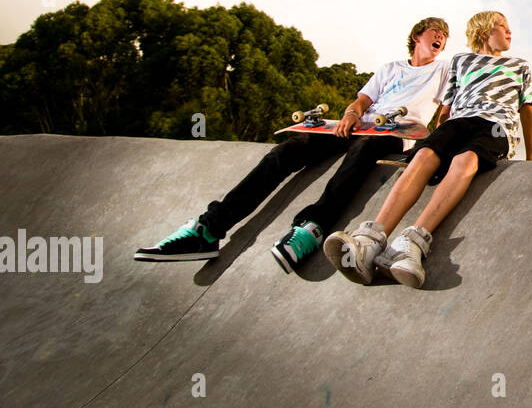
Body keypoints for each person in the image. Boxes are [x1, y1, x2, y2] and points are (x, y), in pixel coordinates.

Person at [134, 17, 452, 273]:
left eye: (445, 37)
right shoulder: (389, 69)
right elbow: (361, 101)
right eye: (436, 32)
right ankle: (209, 229)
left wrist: (440, 145)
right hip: (361, 124)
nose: (441, 39)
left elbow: (448, 107)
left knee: (361, 153)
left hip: (392, 133)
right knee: (287, 150)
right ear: (417, 36)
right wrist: (350, 114)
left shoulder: (442, 69)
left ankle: (312, 227)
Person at [325, 10, 532, 287]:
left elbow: (527, 111)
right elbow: (447, 107)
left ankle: (412, 242)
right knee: (425, 154)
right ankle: (370, 241)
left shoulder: (519, 65)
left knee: (466, 160)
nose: (510, 32)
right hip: (458, 121)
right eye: (503, 26)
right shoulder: (461, 61)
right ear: (485, 31)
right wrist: (438, 135)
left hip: (495, 126)